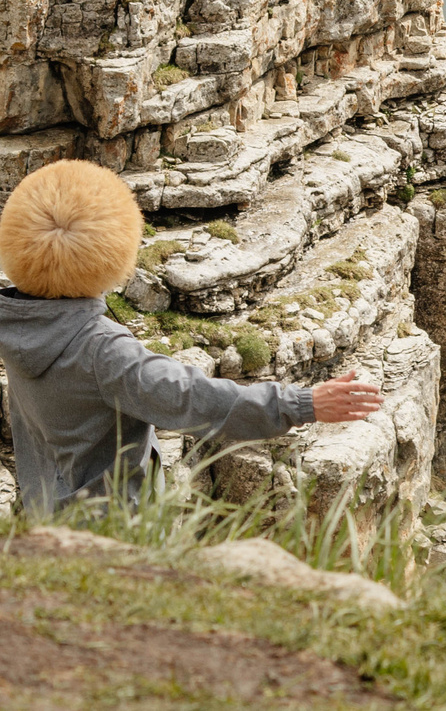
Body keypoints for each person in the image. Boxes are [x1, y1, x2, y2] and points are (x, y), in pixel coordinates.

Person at [0, 159, 383, 514]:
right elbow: (192, 399)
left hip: (45, 512)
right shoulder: (102, 351)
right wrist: (301, 404)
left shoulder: (17, 323)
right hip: (109, 530)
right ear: (111, 253)